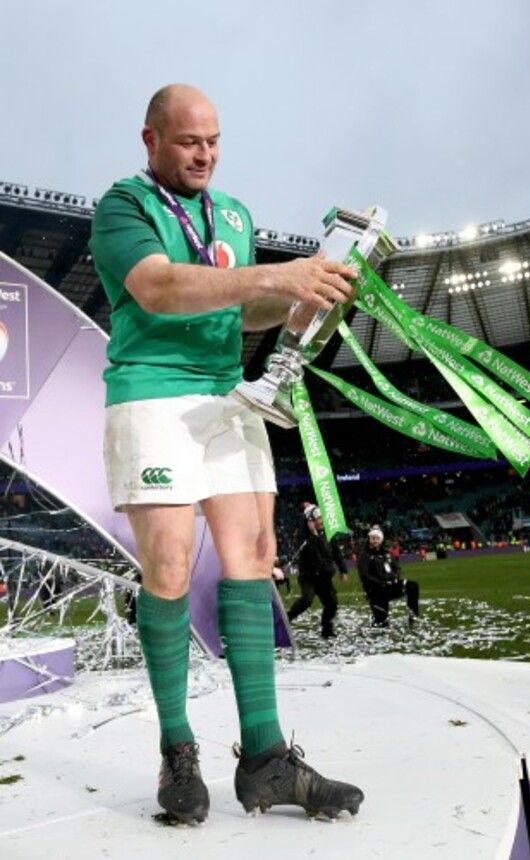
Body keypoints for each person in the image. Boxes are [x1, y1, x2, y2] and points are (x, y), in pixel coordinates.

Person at [89, 83, 363, 825]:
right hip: (152, 395)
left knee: (254, 553)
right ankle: (178, 750)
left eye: (213, 141)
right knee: (172, 565)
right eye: (188, 141)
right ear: (150, 140)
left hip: (227, 395)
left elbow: (241, 307)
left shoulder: (233, 216)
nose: (204, 153)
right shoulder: (122, 206)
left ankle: (266, 759)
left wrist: (310, 296)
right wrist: (280, 274)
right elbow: (161, 288)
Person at [287, 503, 348, 638]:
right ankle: (286, 620)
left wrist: (343, 570)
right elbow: (310, 551)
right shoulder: (302, 537)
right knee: (307, 600)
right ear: (310, 521)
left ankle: (327, 630)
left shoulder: (328, 534)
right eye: (319, 518)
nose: (322, 521)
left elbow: (337, 553)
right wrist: (313, 535)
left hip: (324, 577)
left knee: (331, 604)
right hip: (308, 576)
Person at [357, 525, 419, 627]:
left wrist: (395, 577)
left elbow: (397, 568)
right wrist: (380, 583)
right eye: (372, 538)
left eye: (377, 538)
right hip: (375, 591)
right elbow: (364, 575)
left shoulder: (387, 553)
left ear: (381, 540)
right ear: (369, 539)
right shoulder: (364, 555)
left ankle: (413, 618)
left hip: (390, 586)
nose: (374, 540)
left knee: (412, 586)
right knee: (382, 622)